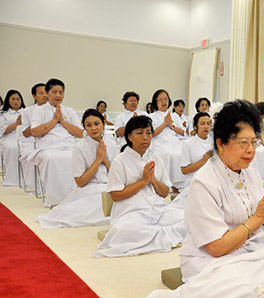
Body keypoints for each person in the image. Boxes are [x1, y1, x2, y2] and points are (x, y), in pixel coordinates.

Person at [127, 99, 264, 298]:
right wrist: (258, 218)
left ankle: (183, 297)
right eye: (243, 143)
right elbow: (216, 247)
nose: (251, 150)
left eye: (253, 142)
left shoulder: (252, 174)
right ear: (221, 144)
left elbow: (257, 227)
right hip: (211, 259)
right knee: (251, 295)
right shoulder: (205, 181)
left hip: (252, 251)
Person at [94, 115, 186, 257]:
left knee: (187, 218)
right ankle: (165, 236)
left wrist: (153, 180)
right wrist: (143, 181)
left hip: (157, 211)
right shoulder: (120, 161)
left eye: (148, 133)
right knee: (123, 231)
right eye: (140, 133)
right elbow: (115, 196)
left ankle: (160, 236)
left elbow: (164, 193)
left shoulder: (156, 158)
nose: (145, 137)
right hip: (131, 213)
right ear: (130, 137)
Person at [37, 109, 117, 228]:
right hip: (89, 188)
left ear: (103, 124)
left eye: (97, 124)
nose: (93, 128)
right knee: (97, 204)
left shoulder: (112, 144)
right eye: (88, 125)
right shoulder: (79, 148)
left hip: (110, 186)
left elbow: (117, 174)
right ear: (84, 128)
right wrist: (98, 160)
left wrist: (105, 160)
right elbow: (80, 182)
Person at [28, 78, 84, 207]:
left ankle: (76, 197)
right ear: (47, 93)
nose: (58, 95)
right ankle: (55, 200)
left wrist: (63, 121)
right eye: (54, 92)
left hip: (69, 146)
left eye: (61, 92)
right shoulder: (39, 111)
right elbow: (35, 132)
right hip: (48, 147)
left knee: (78, 157)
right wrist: (54, 121)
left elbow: (80, 133)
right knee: (52, 159)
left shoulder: (69, 111)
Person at [148, 89, 186, 191]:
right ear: (155, 102)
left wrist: (171, 125)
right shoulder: (151, 117)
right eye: (160, 99)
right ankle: (168, 184)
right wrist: (164, 124)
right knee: (169, 154)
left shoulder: (174, 116)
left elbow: (183, 132)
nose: (164, 102)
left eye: (165, 99)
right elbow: (151, 134)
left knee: (181, 153)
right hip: (160, 142)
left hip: (175, 141)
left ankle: (179, 185)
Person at [17, 83, 48, 190]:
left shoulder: (54, 110)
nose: (45, 95)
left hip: (49, 141)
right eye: (41, 93)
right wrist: (37, 125)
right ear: (34, 96)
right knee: (32, 155)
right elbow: (25, 133)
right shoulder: (27, 111)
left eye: (46, 92)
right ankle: (37, 187)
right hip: (30, 141)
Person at [180, 111, 213, 188]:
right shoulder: (188, 143)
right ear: (195, 126)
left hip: (212, 181)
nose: (206, 126)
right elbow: (184, 170)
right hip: (194, 182)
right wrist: (204, 160)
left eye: (208, 124)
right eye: (202, 124)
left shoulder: (214, 142)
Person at [0, 90, 26, 186]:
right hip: (9, 137)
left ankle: (28, 178)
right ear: (8, 100)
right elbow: (2, 131)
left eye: (18, 99)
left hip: (24, 136)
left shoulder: (26, 111)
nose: (16, 101)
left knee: (28, 148)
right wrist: (16, 124)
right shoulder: (3, 113)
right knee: (13, 148)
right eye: (13, 99)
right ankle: (13, 179)